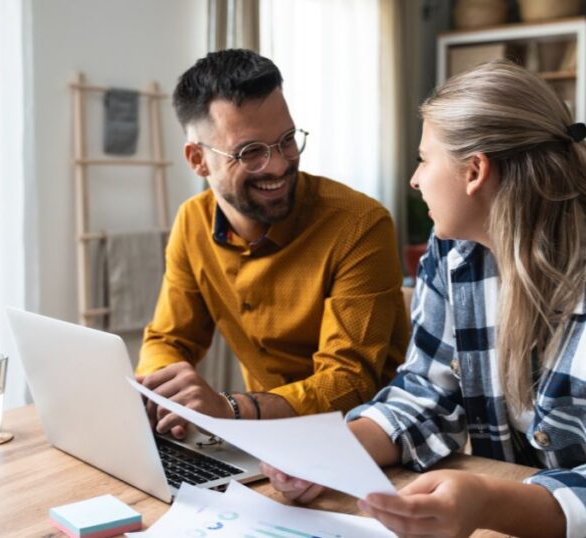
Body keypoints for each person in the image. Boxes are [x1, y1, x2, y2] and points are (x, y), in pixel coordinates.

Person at [264, 60, 586, 537]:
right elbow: (426, 392)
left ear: (475, 170)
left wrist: (487, 501)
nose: (415, 180)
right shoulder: (454, 255)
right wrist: (333, 452)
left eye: (423, 159)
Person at [136, 49, 411, 438]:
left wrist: (229, 408)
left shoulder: (360, 225)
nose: (279, 166)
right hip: (261, 439)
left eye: (286, 140)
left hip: (366, 442)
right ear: (198, 160)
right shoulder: (191, 222)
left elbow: (349, 384)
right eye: (250, 152)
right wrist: (163, 395)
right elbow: (168, 339)